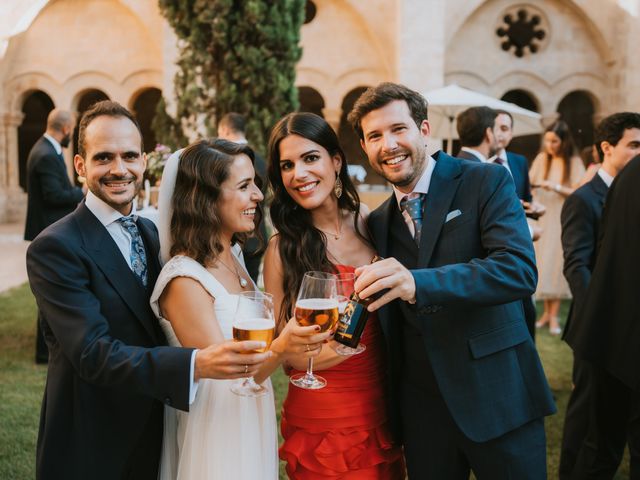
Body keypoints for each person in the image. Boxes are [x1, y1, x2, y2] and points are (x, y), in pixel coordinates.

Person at [25, 101, 273, 480]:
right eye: (104, 157)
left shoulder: (152, 233)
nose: (119, 169)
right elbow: (92, 353)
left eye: (129, 156)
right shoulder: (56, 247)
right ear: (80, 166)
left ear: (143, 160)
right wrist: (195, 364)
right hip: (93, 443)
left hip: (158, 434)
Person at [348, 82, 556, 479]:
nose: (388, 144)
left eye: (398, 129)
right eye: (374, 136)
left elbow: (517, 270)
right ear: (364, 146)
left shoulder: (485, 181)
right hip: (423, 413)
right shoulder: (377, 223)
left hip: (499, 395)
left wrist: (419, 283)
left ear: (424, 131)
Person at [149, 138, 329, 479]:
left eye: (255, 185)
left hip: (248, 416)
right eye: (245, 186)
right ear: (206, 198)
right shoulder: (184, 279)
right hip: (215, 429)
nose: (259, 196)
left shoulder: (233, 256)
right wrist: (283, 345)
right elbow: (226, 376)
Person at [263, 112, 405, 479]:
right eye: (287, 165)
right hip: (323, 412)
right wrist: (339, 350)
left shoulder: (369, 222)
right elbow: (285, 353)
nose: (299, 174)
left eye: (311, 158)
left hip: (381, 402)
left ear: (336, 161)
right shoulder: (282, 249)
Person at [561, 114, 640, 479]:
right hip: (599, 322)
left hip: (626, 327)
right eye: (634, 145)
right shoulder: (584, 197)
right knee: (587, 416)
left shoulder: (626, 185)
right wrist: (604, 313)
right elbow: (577, 264)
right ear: (607, 147)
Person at [456, 106, 539, 337]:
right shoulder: (491, 173)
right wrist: (531, 231)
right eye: (497, 129)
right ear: (489, 133)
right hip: (494, 275)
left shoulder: (451, 168)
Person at [23, 108, 84, 363]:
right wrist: (83, 191)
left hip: (49, 229)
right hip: (47, 232)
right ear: (67, 129)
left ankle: (48, 348)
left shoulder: (46, 148)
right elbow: (53, 196)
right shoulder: (46, 154)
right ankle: (43, 352)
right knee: (48, 294)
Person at [529, 120, 585, 335]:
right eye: (547, 141)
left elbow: (579, 192)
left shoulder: (574, 161)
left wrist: (556, 187)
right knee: (543, 262)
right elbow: (530, 182)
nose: (550, 146)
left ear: (564, 141)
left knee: (555, 263)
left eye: (554, 141)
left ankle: (554, 316)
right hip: (543, 216)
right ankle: (545, 314)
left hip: (561, 217)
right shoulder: (542, 158)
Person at [217, 112, 268, 283]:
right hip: (256, 235)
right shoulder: (260, 160)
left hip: (240, 238)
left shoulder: (223, 160)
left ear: (224, 129)